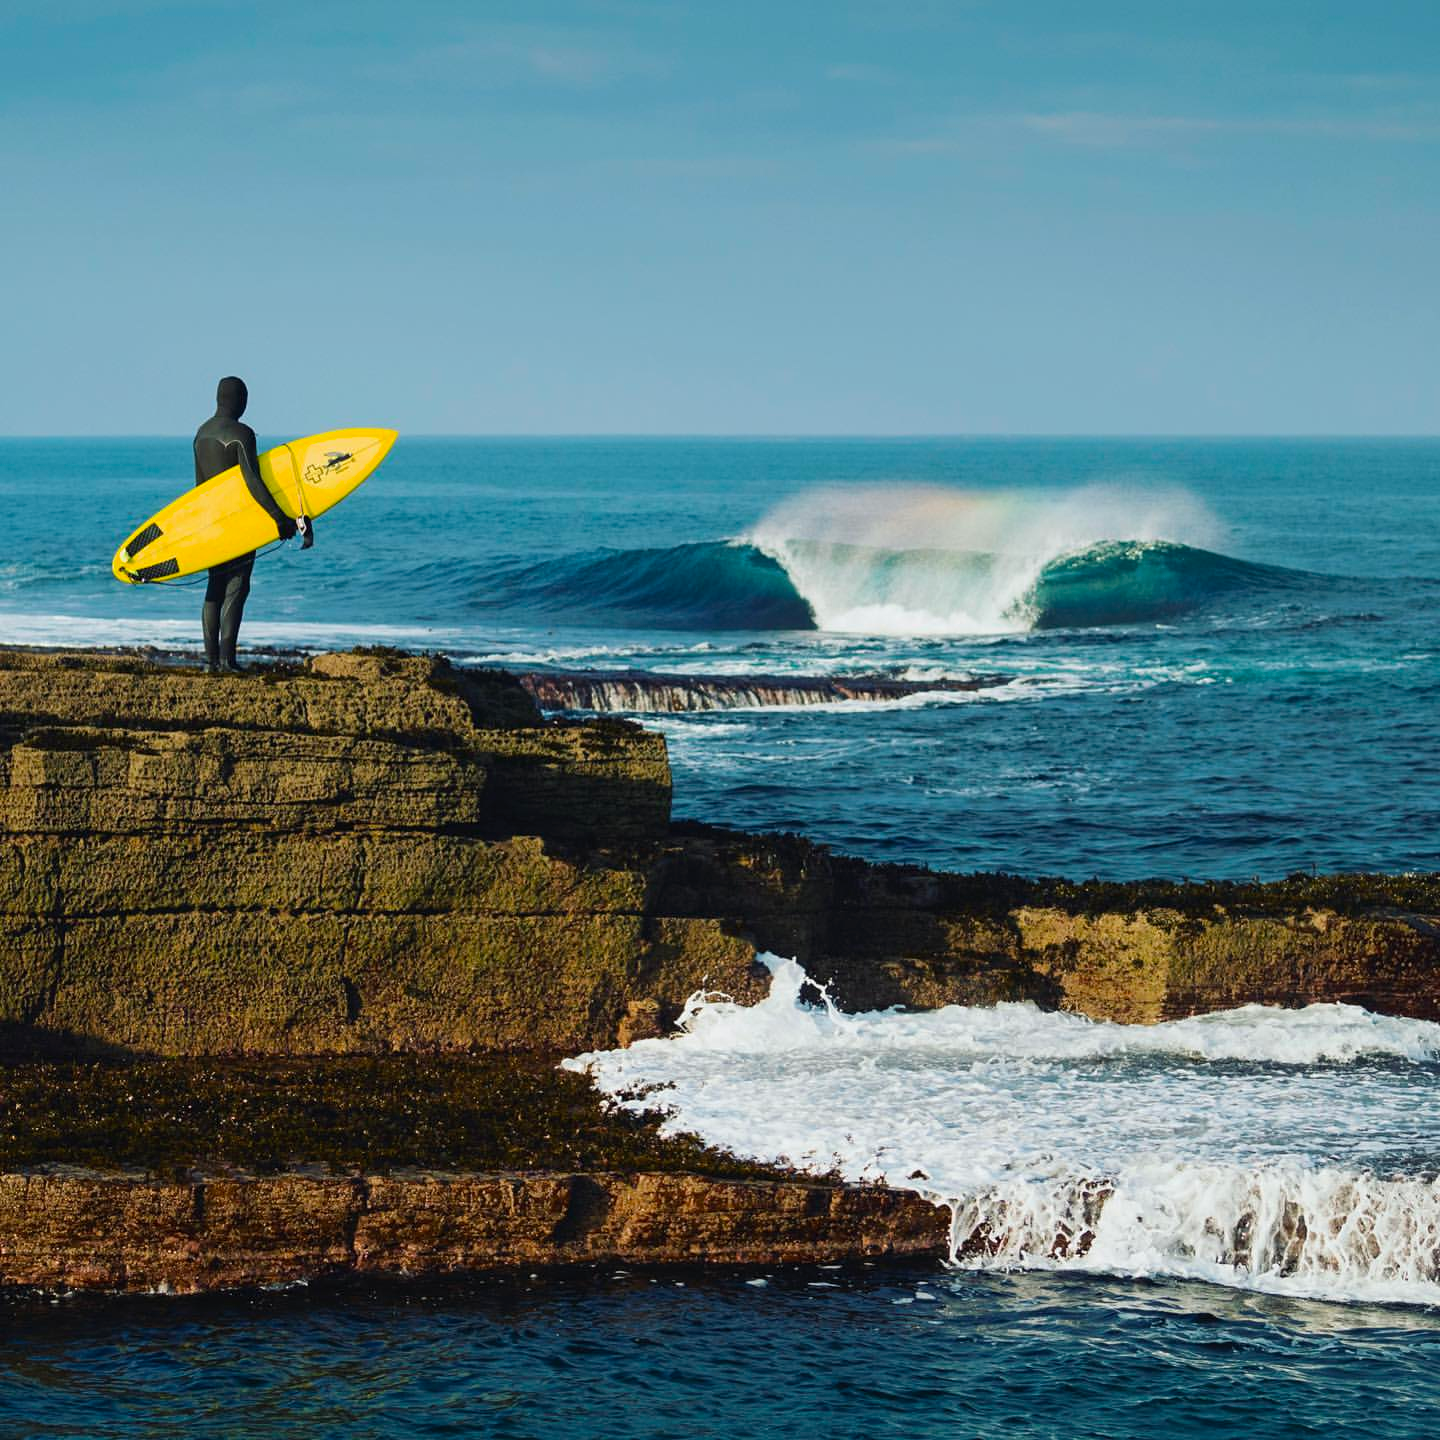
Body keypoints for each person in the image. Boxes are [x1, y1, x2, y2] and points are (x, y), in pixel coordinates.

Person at [192, 376, 310, 673]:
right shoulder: (241, 434)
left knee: (214, 585)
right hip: (238, 521)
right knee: (238, 586)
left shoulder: (200, 434)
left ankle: (210, 662)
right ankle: (228, 661)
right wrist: (278, 518)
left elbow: (199, 489)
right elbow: (252, 481)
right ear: (239, 401)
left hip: (211, 521)